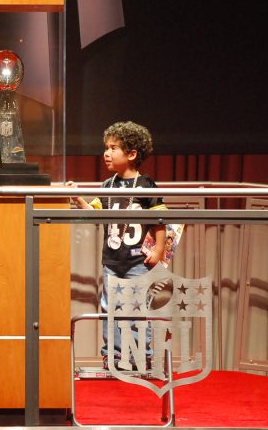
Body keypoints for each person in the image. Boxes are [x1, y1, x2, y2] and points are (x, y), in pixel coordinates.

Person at [67, 121, 166, 371]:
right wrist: (78, 199)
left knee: (136, 309)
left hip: (138, 261)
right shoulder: (108, 185)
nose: (106, 153)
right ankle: (113, 356)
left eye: (113, 148)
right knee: (111, 308)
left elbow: (160, 219)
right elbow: (94, 212)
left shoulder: (146, 184)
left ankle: (140, 356)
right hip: (112, 261)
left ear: (131, 154)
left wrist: (159, 249)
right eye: (106, 148)